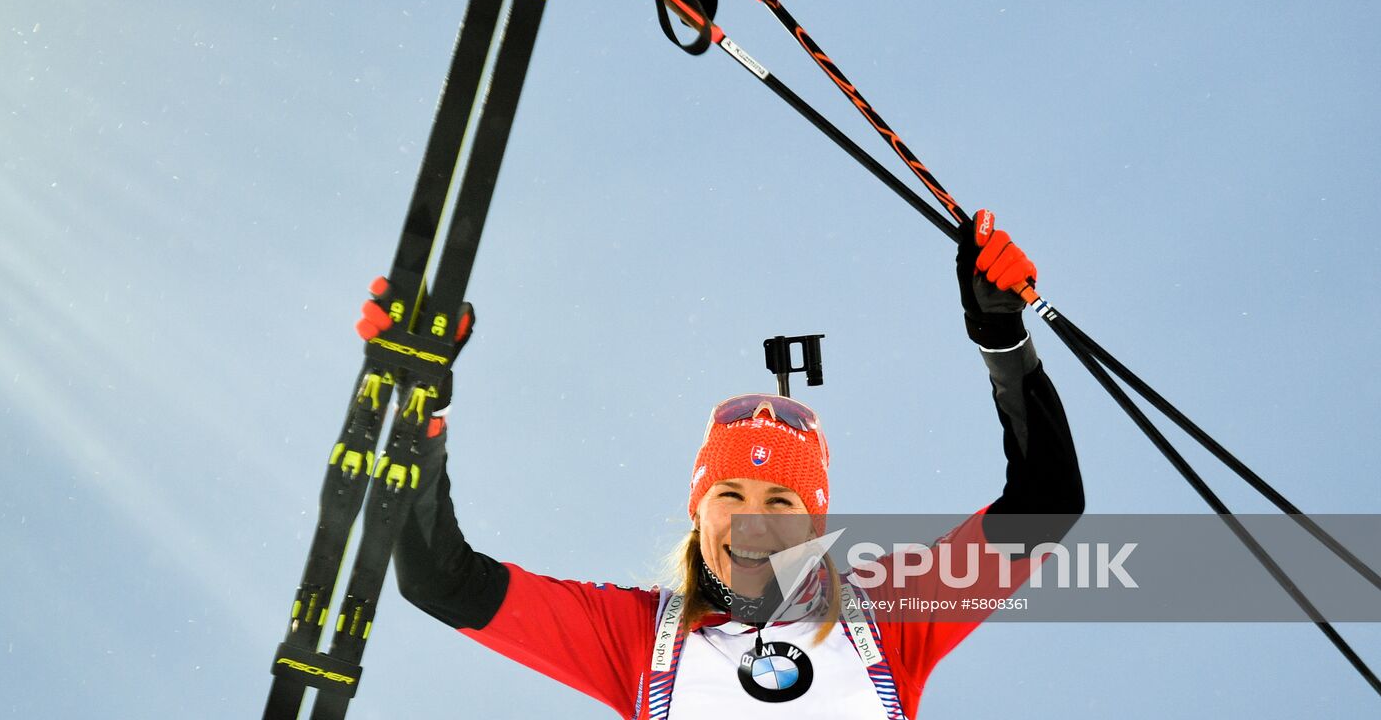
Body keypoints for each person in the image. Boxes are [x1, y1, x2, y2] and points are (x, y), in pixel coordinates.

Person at [372, 209, 1084, 717]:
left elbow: (1045, 507)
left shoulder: (887, 617)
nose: (754, 523)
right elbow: (442, 581)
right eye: (733, 495)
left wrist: (1001, 339)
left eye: (781, 503)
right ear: (698, 511)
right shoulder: (639, 641)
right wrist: (419, 419)